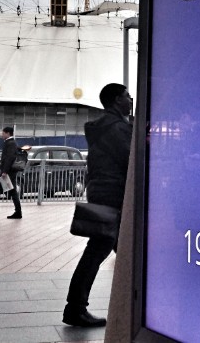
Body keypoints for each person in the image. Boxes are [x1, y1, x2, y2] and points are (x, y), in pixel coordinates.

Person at [63, 83, 133, 328]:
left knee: (121, 250)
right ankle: (75, 308)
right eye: (127, 96)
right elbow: (130, 160)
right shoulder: (117, 128)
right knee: (100, 251)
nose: (131, 99)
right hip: (115, 194)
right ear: (115, 100)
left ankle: (79, 307)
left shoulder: (104, 127)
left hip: (101, 191)